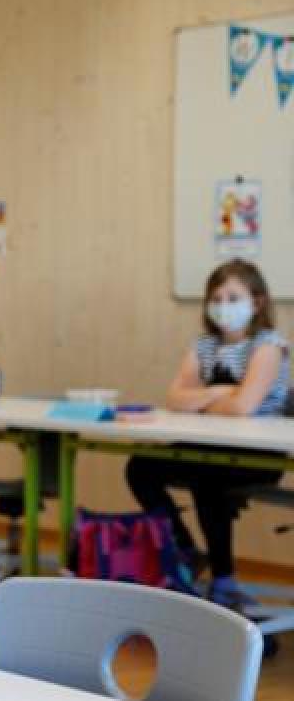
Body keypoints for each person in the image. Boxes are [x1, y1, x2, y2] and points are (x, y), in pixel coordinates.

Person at [125, 259, 287, 609]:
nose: (223, 306)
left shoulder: (268, 345)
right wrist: (219, 393)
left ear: (257, 301)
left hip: (256, 455)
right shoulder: (204, 344)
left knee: (206, 476)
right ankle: (183, 547)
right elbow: (174, 399)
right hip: (207, 446)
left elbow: (244, 407)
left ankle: (224, 579)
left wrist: (203, 398)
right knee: (140, 467)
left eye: (233, 297)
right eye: (216, 298)